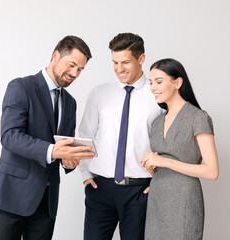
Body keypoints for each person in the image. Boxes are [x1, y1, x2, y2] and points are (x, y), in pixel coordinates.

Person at [0, 35, 95, 240]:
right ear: (55, 55)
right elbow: (9, 136)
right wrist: (52, 150)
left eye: (80, 69)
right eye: (72, 65)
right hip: (12, 196)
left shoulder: (70, 103)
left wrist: (70, 161)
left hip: (47, 202)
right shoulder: (21, 87)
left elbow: (64, 144)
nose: (74, 73)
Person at [78, 33, 163, 240]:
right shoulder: (99, 92)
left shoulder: (158, 95)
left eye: (125, 62)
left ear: (141, 59)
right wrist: (85, 176)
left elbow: (170, 144)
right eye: (115, 62)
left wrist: (160, 183)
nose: (119, 69)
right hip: (100, 189)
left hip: (140, 191)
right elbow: (85, 135)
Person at [141, 58, 219, 240]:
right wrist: (152, 167)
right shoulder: (157, 122)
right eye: (151, 83)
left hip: (184, 200)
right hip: (157, 200)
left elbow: (212, 171)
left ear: (178, 82)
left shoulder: (198, 118)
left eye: (159, 82)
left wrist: (165, 161)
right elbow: (161, 168)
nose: (153, 88)